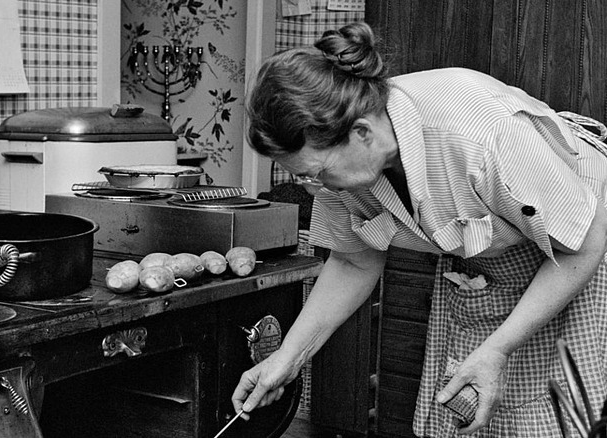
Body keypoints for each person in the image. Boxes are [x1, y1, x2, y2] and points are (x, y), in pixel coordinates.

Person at [231, 21, 607, 437]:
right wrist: (287, 358)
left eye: (317, 173)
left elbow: (585, 245)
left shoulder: (481, 135)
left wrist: (497, 348)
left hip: (585, 247)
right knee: (476, 414)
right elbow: (354, 262)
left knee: (563, 417)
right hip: (501, 260)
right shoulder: (344, 162)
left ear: (361, 133)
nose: (316, 187)